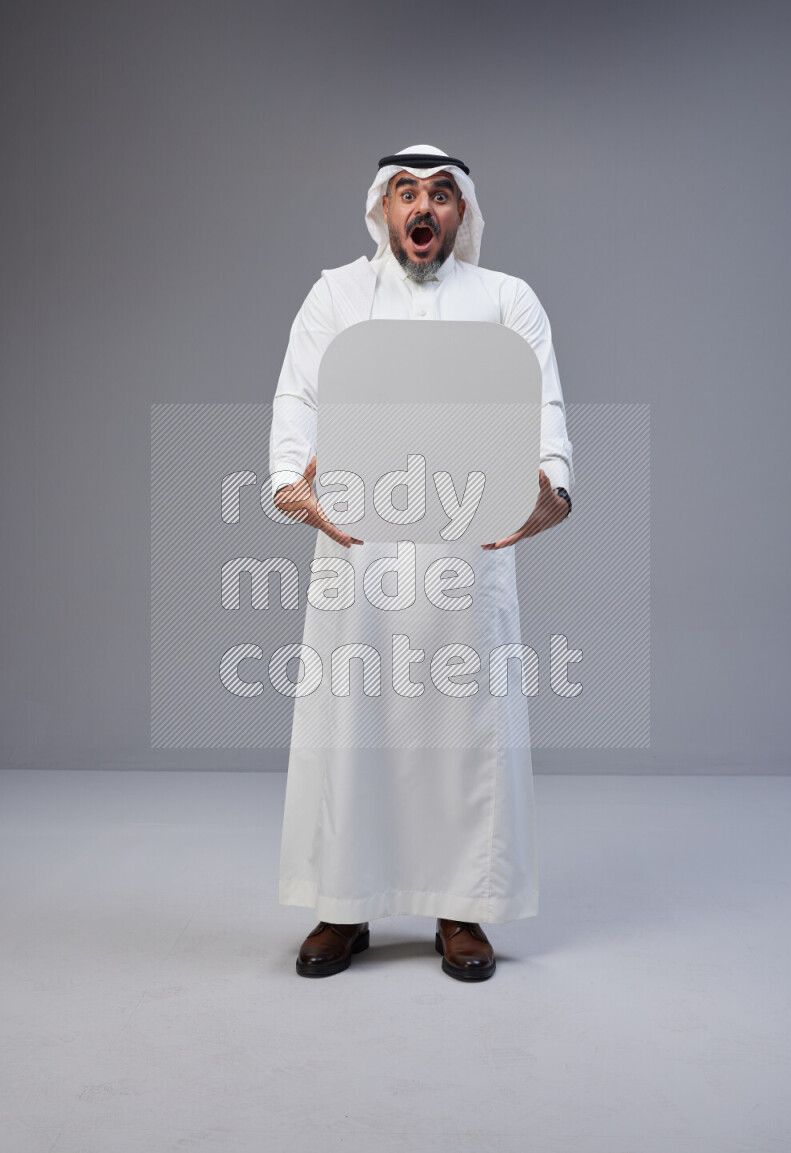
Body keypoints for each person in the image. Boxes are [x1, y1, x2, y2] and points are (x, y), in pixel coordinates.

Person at [269, 144, 574, 981]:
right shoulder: (336, 293)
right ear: (384, 207)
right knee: (352, 723)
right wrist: (291, 480)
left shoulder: (507, 299)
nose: (424, 207)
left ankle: (460, 908)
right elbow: (298, 393)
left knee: (461, 729)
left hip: (464, 554)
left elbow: (541, 400)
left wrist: (551, 484)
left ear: (462, 212)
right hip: (360, 549)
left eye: (441, 193)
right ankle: (344, 904)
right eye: (407, 191)